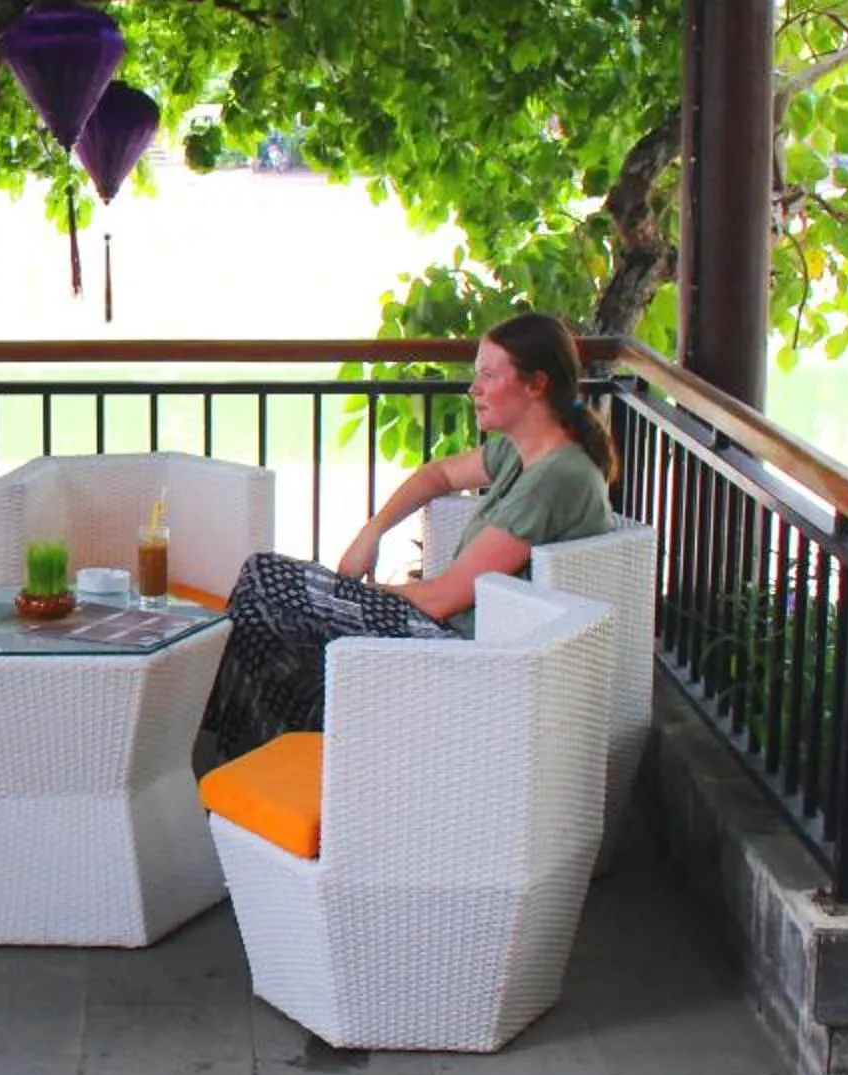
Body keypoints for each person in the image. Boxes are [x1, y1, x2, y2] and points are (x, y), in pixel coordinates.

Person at [205, 311, 615, 757]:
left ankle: (242, 751)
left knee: (266, 578)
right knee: (260, 620)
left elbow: (445, 598)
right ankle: (273, 761)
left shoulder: (557, 477)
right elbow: (437, 474)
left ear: (536, 385)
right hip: (454, 636)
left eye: (489, 376)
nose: (473, 388)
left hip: (476, 659)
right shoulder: (521, 452)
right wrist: (373, 532)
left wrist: (354, 593)